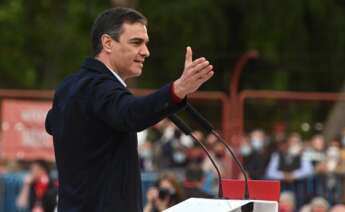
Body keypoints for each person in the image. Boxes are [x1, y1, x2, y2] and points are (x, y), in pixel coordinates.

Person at [45, 7, 214, 212]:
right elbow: (130, 113)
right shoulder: (98, 86)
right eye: (136, 42)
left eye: (146, 43)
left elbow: (51, 123)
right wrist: (177, 90)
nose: (145, 51)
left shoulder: (69, 86)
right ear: (107, 43)